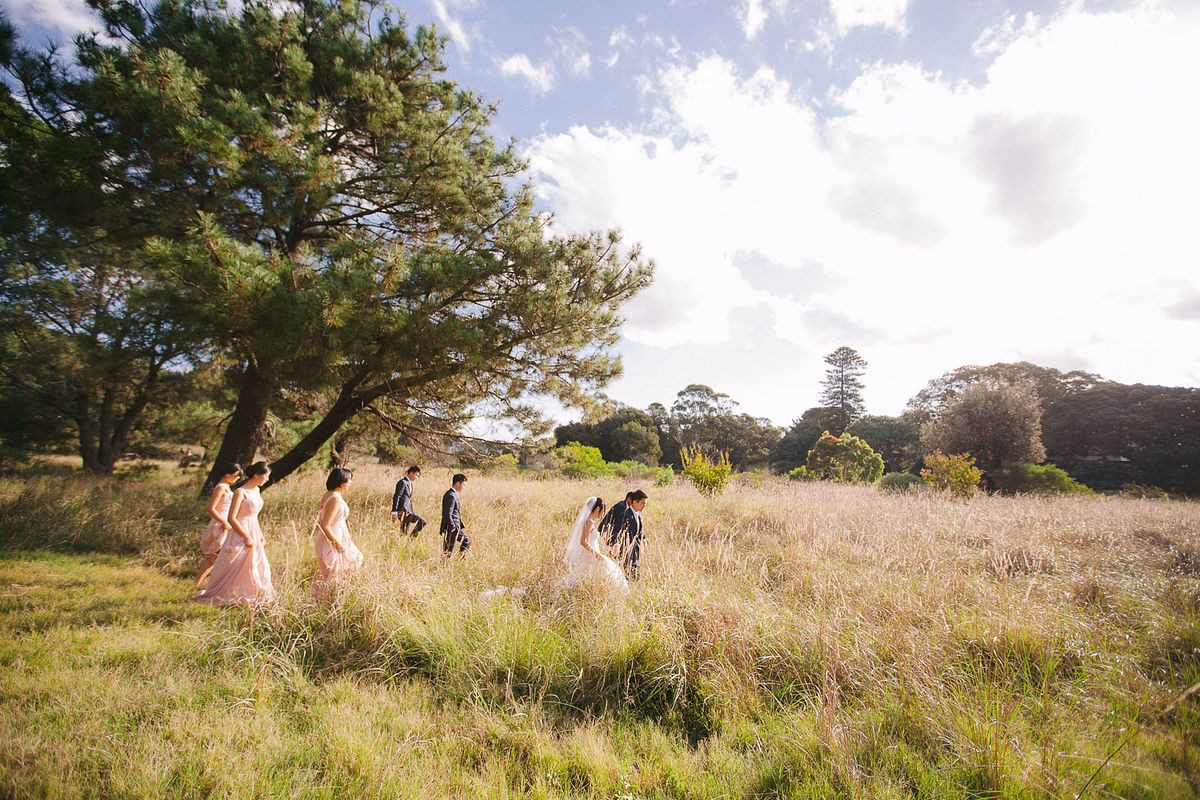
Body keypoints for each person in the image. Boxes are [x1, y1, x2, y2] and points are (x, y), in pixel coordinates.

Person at [481, 496, 628, 600]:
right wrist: (597, 555)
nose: (602, 513)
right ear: (597, 509)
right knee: (571, 582)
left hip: (592, 557)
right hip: (590, 557)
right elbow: (583, 543)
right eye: (602, 510)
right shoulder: (588, 522)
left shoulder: (590, 522)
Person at [194, 461, 276, 606]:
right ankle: (228, 592)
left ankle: (251, 590)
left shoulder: (256, 490)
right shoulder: (240, 492)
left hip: (253, 528)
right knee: (234, 562)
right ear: (257, 475)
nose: (267, 479)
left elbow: (254, 516)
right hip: (241, 529)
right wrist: (245, 535)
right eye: (266, 476)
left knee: (255, 562)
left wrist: (260, 534)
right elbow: (232, 518)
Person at [313, 468, 364, 598]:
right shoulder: (334, 498)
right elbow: (325, 524)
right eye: (349, 480)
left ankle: (335, 597)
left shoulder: (331, 494)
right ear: (342, 482)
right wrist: (338, 544)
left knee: (351, 561)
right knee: (333, 572)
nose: (351, 482)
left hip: (338, 533)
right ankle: (328, 600)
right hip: (332, 536)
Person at [196, 463, 241, 587]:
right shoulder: (221, 488)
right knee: (214, 557)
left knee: (221, 556)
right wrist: (224, 522)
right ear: (227, 474)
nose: (237, 478)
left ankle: (218, 584)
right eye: (236, 475)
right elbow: (211, 509)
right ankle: (198, 583)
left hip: (225, 523)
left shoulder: (227, 487)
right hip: (220, 523)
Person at [611, 489, 648, 579]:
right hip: (626, 552)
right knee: (630, 577)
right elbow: (616, 531)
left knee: (635, 576)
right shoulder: (625, 514)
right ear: (635, 502)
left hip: (635, 552)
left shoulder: (638, 515)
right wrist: (616, 544)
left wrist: (644, 538)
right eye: (643, 503)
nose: (644, 506)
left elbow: (638, 532)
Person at [390, 464, 426, 536]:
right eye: (416, 475)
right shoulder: (403, 482)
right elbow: (397, 496)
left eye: (418, 476)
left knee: (404, 532)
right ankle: (411, 539)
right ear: (411, 473)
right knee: (422, 521)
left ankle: (405, 543)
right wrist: (394, 512)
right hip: (403, 511)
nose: (416, 477)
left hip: (408, 511)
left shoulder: (410, 483)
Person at [440, 473, 470, 557]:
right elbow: (448, 513)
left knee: (465, 540)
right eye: (463, 485)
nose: (463, 487)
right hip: (452, 527)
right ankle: (447, 564)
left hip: (455, 526)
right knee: (449, 549)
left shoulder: (453, 494)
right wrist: (452, 526)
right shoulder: (451, 495)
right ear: (457, 483)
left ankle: (460, 559)